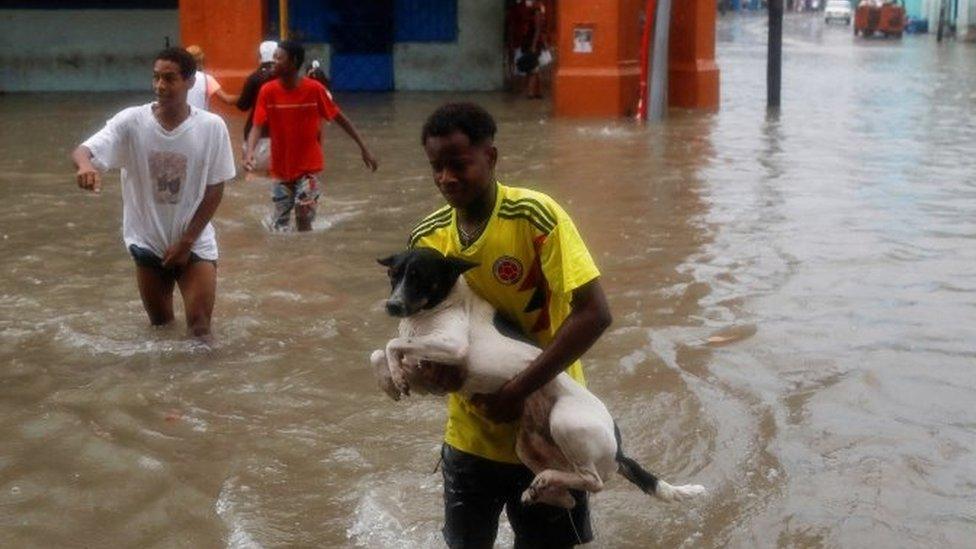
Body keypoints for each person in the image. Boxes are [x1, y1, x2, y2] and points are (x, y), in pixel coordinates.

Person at [408, 103, 612, 548]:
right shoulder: (427, 239)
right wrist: (432, 376)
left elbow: (595, 313)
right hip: (470, 437)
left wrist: (518, 391)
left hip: (551, 426)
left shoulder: (536, 217)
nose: (447, 178)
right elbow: (422, 331)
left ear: (491, 157)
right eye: (436, 167)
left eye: (459, 164)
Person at [71, 47, 236, 340]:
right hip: (147, 243)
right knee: (160, 329)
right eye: (156, 77)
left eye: (169, 78)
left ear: (190, 81)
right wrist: (85, 166)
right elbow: (85, 150)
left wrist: (186, 241)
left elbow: (215, 188)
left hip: (194, 243)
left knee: (199, 329)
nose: (160, 85)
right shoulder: (131, 122)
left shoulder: (211, 127)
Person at [244, 40, 378, 232]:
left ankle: (309, 257)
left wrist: (364, 149)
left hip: (308, 168)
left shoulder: (314, 89)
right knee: (279, 225)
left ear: (294, 62)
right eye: (273, 57)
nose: (274, 62)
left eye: (279, 58)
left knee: (303, 215)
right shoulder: (268, 91)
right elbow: (256, 126)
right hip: (281, 170)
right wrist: (250, 152)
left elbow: (341, 119)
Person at [235, 40, 278, 173]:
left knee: (251, 174)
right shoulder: (284, 79)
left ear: (260, 55)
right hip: (278, 135)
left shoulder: (253, 78)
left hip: (254, 135)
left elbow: (243, 105)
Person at [185, 44, 238, 111]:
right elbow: (227, 99)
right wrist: (246, 96)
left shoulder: (180, 76)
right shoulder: (207, 79)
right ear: (201, 60)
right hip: (200, 119)